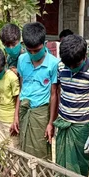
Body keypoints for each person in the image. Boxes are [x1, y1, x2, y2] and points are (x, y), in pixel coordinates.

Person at [54, 34, 89, 176]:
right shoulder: (61, 66)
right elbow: (58, 91)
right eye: (69, 65)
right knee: (61, 159)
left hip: (82, 126)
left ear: (84, 56)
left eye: (75, 65)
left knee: (80, 161)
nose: (71, 68)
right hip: (63, 121)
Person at [15, 22, 60, 160]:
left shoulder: (54, 64)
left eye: (37, 50)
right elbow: (21, 89)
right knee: (23, 145)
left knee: (40, 149)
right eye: (30, 50)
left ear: (45, 44)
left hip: (41, 113)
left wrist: (50, 123)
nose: (33, 54)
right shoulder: (22, 60)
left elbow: (54, 95)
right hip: (24, 109)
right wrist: (16, 115)